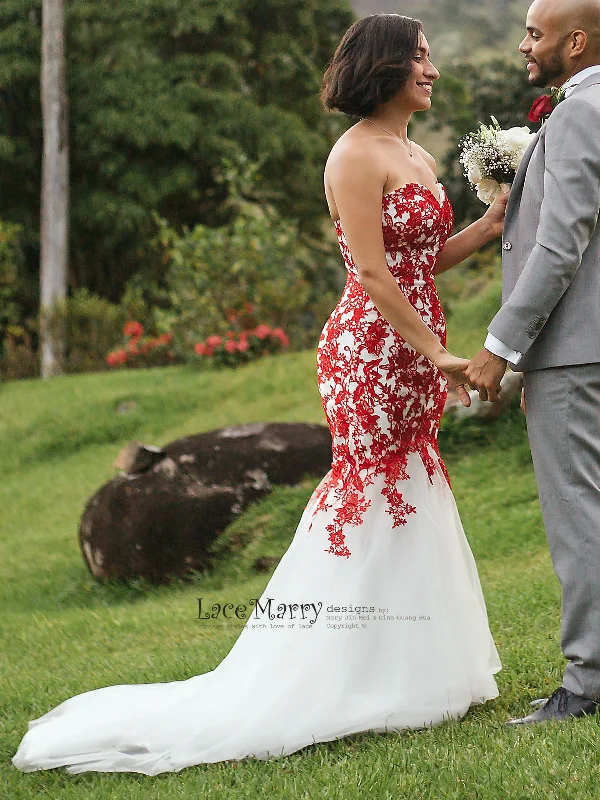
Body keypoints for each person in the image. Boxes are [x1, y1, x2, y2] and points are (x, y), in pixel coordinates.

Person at [12, 15, 504, 776]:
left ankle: (412, 669)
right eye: (422, 58)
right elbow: (373, 275)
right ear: (387, 68)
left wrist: (494, 222)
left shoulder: (418, 153)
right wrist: (437, 351)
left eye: (433, 58)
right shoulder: (353, 156)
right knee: (367, 493)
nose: (432, 70)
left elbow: (425, 259)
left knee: (410, 483)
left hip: (413, 351)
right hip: (372, 353)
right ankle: (327, 674)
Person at [466, 0, 600, 724]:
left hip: (578, 352)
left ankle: (587, 683)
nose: (524, 45)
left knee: (580, 518)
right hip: (585, 345)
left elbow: (560, 244)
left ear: (575, 42)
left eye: (535, 33)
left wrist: (500, 349)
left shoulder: (581, 113)